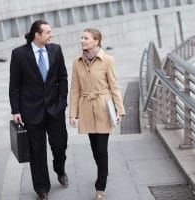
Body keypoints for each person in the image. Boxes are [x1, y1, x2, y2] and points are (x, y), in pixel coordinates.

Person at [9, 20, 68, 200]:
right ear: (37, 35)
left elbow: (62, 77)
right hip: (31, 110)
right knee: (37, 150)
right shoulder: (19, 54)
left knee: (59, 145)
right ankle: (41, 188)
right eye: (48, 32)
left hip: (55, 109)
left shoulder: (56, 50)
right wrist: (16, 110)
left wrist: (62, 101)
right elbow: (15, 85)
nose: (51, 35)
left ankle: (60, 169)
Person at [69, 28, 125, 200]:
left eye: (86, 38)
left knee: (101, 149)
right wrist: (73, 114)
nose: (82, 41)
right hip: (86, 108)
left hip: (103, 107)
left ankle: (100, 186)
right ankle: (104, 170)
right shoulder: (77, 62)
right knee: (94, 149)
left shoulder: (107, 60)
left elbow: (114, 86)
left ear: (96, 41)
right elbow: (75, 89)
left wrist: (120, 109)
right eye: (82, 38)